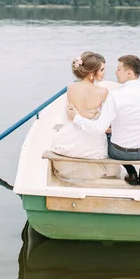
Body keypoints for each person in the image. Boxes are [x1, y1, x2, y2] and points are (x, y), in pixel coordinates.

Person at [67, 55, 140, 186]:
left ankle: (130, 172)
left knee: (107, 133)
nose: (115, 72)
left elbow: (99, 129)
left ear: (129, 73)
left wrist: (77, 118)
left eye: (118, 69)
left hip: (119, 153)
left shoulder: (114, 96)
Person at [50, 52, 123, 182]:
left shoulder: (71, 87)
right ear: (91, 72)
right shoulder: (103, 92)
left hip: (69, 140)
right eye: (102, 70)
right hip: (92, 146)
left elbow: (69, 116)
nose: (104, 73)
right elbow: (103, 125)